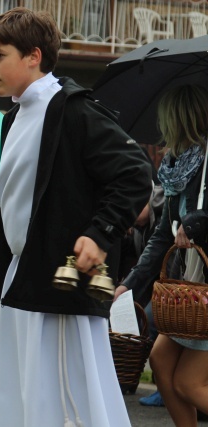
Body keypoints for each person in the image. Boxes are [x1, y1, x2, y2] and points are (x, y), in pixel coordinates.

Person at [0, 8, 151, 427]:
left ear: (33, 55)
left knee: (72, 403)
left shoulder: (73, 109)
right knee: (24, 398)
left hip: (58, 282)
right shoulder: (14, 118)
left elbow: (134, 173)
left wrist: (99, 234)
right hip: (23, 282)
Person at [117, 84, 208, 426]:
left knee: (188, 382)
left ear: (180, 119)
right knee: (160, 363)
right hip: (189, 291)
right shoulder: (175, 167)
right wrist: (129, 285)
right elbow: (161, 236)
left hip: (204, 292)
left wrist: (197, 222)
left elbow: (195, 222)